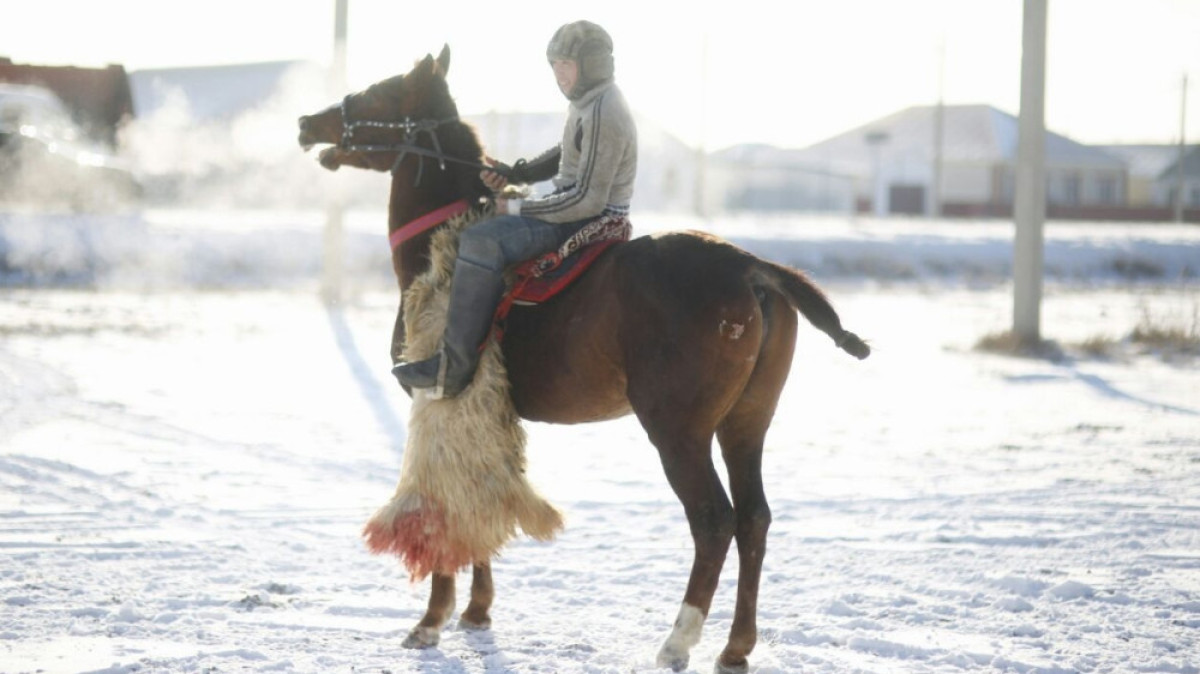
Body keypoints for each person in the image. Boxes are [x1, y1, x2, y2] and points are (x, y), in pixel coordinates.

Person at [393, 20, 638, 398]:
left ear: (593, 64)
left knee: (481, 241)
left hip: (589, 219)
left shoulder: (605, 112)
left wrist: (518, 208)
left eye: (567, 64)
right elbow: (567, 151)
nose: (559, 74)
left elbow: (586, 200)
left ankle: (453, 367)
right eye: (555, 64)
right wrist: (516, 173)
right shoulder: (589, 102)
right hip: (576, 207)